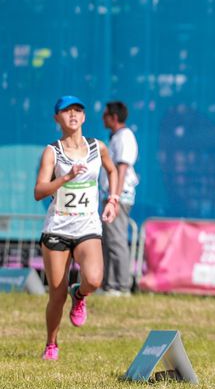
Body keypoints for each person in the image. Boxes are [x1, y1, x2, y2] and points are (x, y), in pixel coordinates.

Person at [34, 96, 119, 361]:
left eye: (78, 110)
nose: (73, 114)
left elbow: (112, 171)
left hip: (87, 227)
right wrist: (66, 177)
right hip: (57, 229)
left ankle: (79, 294)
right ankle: (51, 343)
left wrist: (112, 200)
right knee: (56, 295)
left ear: (84, 117)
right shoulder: (52, 151)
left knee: (94, 279)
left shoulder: (98, 147)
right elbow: (39, 191)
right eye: (66, 111)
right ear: (56, 118)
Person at [100, 101, 139, 296]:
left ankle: (121, 286)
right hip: (112, 196)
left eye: (105, 115)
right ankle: (109, 284)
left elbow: (121, 168)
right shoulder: (115, 137)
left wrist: (114, 197)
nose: (102, 118)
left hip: (118, 197)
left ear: (114, 118)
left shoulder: (125, 137)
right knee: (109, 239)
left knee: (116, 240)